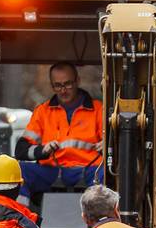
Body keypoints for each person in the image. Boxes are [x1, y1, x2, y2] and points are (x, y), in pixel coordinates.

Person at [15, 62, 103, 202]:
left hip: (90, 170)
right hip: (52, 171)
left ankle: (101, 222)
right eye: (58, 85)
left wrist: (105, 145)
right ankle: (22, 220)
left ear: (77, 81)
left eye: (67, 84)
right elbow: (21, 150)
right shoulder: (42, 112)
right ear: (52, 86)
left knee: (106, 175)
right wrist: (43, 150)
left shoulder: (98, 109)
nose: (63, 90)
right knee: (18, 170)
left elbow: (112, 144)